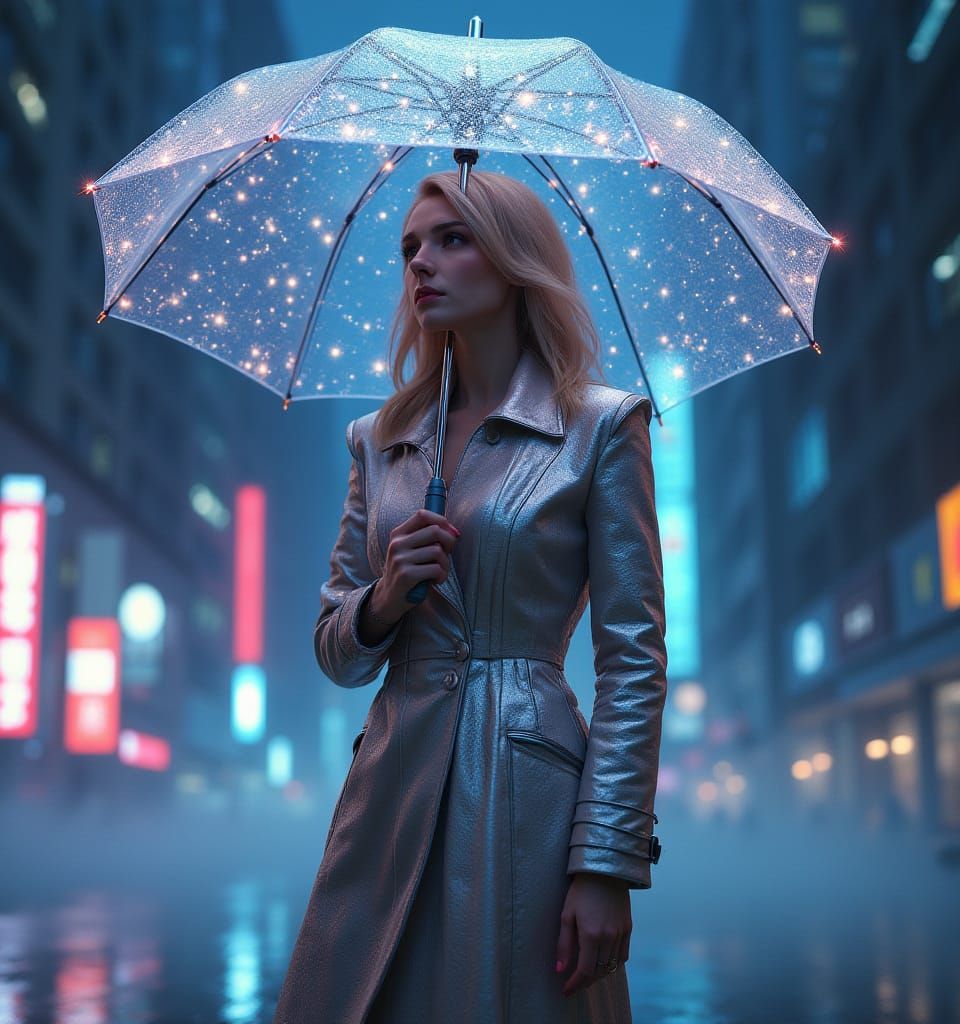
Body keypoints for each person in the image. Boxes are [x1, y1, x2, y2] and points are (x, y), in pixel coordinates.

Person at [272, 169, 667, 1024]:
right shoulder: (378, 441)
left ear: (517, 260)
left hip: (528, 799)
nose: (422, 263)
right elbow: (333, 649)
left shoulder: (602, 426)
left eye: (453, 239)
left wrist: (605, 860)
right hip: (389, 792)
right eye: (410, 246)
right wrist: (384, 598)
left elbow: (633, 658)